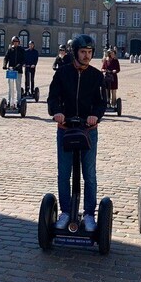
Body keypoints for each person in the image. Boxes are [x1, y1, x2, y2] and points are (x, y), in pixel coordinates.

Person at [47, 35, 106, 231]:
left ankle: (89, 214)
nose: (87, 56)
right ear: (75, 52)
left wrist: (95, 116)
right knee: (64, 173)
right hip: (66, 129)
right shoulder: (62, 73)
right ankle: (65, 211)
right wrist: (56, 112)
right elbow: (52, 98)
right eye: (83, 52)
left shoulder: (97, 76)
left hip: (88, 130)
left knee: (89, 174)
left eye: (89, 53)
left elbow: (101, 103)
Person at [2, 36, 24, 102]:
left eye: (17, 41)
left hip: (18, 71)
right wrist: (4, 65)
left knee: (18, 87)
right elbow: (6, 58)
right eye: (14, 41)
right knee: (10, 87)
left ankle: (18, 101)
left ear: (19, 42)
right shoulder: (10, 49)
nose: (15, 43)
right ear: (12, 42)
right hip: (11, 70)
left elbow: (23, 60)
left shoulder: (21, 50)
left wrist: (18, 66)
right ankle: (9, 101)